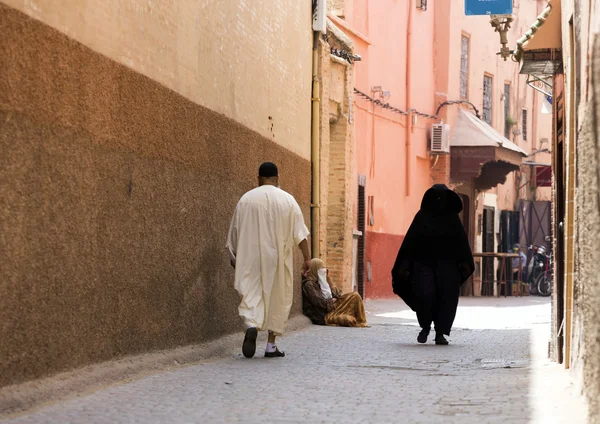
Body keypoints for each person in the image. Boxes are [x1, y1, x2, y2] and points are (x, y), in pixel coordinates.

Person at [226, 162, 311, 358]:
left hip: (250, 257)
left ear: (258, 179)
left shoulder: (246, 199)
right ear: (277, 179)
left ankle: (251, 325)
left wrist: (235, 257)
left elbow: (234, 232)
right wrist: (307, 259)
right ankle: (271, 346)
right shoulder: (288, 201)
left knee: (252, 293)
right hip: (277, 259)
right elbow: (300, 235)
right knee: (277, 298)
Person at [391, 184, 474, 345]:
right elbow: (411, 243)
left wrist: (464, 262)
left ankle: (440, 333)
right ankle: (425, 327)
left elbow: (461, 243)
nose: (439, 202)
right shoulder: (422, 217)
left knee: (446, 299)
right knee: (425, 295)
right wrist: (405, 265)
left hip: (447, 267)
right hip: (424, 264)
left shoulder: (452, 219)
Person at [302, 258, 368, 327]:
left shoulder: (320, 282)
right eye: (321, 270)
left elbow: (338, 295)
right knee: (350, 320)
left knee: (355, 295)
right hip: (323, 316)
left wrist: (329, 281)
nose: (323, 273)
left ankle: (361, 321)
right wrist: (332, 301)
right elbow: (320, 303)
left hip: (331, 309)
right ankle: (343, 316)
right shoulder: (309, 284)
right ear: (314, 270)